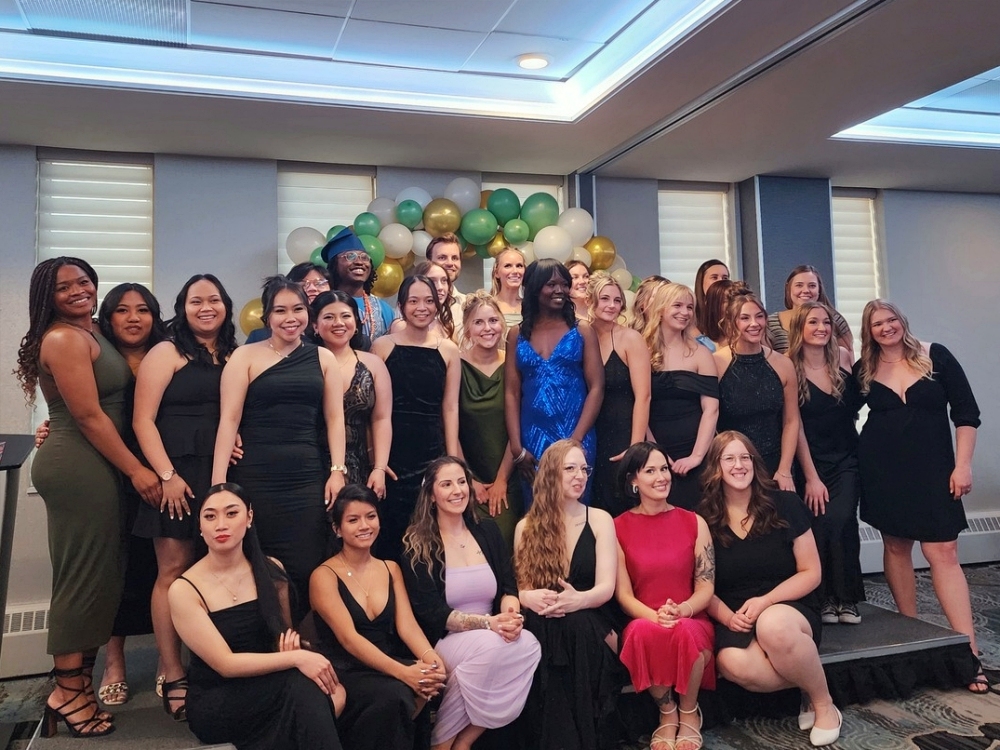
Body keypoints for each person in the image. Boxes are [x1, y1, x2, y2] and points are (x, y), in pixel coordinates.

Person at [16, 257, 161, 738]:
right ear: (48, 297)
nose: (79, 290)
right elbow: (88, 417)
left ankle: (76, 683)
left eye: (84, 281)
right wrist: (138, 470)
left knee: (101, 575)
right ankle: (65, 691)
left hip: (98, 462)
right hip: (80, 463)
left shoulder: (94, 331)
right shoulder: (63, 338)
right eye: (64, 287)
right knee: (81, 575)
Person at [853, 299, 984, 691]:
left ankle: (969, 653)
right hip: (883, 471)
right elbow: (837, 414)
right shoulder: (864, 369)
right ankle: (910, 634)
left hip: (935, 470)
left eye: (891, 319)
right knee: (895, 546)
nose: (886, 327)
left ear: (902, 321)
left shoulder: (934, 355)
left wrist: (963, 465)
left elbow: (966, 414)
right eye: (877, 324)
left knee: (942, 552)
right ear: (869, 331)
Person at [168, 483, 344, 750]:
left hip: (270, 682)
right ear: (200, 526)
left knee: (336, 692)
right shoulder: (184, 589)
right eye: (210, 516)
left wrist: (291, 649)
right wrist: (294, 657)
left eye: (231, 513)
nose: (220, 525)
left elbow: (280, 637)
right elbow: (225, 664)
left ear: (249, 517)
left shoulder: (272, 570)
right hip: (219, 698)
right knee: (306, 694)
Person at [133, 274, 238, 718]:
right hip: (176, 475)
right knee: (172, 571)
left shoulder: (233, 354)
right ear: (183, 307)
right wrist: (167, 475)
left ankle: (211, 664)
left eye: (214, 299)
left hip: (221, 475)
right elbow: (142, 422)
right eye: (196, 301)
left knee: (218, 570)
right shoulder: (167, 351)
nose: (206, 307)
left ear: (227, 306)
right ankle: (172, 668)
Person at [213, 275, 346, 619]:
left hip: (306, 476)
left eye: (298, 309)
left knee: (307, 561)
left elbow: (334, 420)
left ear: (308, 313)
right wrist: (219, 486)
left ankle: (302, 641)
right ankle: (269, 641)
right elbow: (228, 420)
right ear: (267, 317)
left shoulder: (323, 358)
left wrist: (337, 470)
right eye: (281, 310)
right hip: (256, 474)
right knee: (261, 562)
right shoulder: (244, 356)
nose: (291, 318)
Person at [699, 431, 841, 747]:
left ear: (754, 463)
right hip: (735, 612)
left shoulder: (785, 503)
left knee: (773, 626)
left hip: (787, 603)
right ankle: (803, 679)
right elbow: (700, 583)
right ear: (716, 467)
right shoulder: (703, 518)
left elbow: (812, 573)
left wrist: (766, 602)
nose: (739, 465)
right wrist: (725, 617)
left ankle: (821, 701)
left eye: (745, 457)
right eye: (729, 459)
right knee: (733, 664)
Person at [402, 457, 541, 750]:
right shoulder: (417, 544)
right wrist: (489, 624)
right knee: (491, 648)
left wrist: (511, 615)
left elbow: (507, 587)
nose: (457, 490)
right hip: (448, 638)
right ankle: (442, 742)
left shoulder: (487, 531)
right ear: (431, 495)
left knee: (529, 644)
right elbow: (431, 613)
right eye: (447, 484)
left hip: (493, 632)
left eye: (462, 482)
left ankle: (463, 741)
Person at [310, 484, 446, 750]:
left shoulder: (390, 568)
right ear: (337, 529)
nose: (364, 525)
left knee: (429, 681)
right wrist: (404, 673)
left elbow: (407, 626)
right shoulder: (323, 576)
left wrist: (432, 660)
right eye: (353, 520)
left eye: (370, 516)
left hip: (389, 660)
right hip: (348, 669)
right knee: (396, 694)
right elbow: (348, 639)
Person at [513, 440, 627, 750]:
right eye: (570, 469)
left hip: (591, 613)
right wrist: (528, 598)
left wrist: (578, 600)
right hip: (546, 617)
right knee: (542, 629)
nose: (580, 476)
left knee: (576, 626)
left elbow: (606, 588)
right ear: (551, 474)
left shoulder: (600, 519)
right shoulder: (525, 527)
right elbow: (522, 588)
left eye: (584, 469)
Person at [614, 442, 715, 750]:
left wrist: (682, 610)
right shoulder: (617, 527)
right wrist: (654, 615)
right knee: (644, 631)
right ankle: (667, 711)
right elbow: (623, 594)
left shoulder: (693, 521)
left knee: (684, 631)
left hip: (691, 616)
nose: (661, 477)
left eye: (664, 469)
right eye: (650, 471)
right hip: (645, 616)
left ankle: (688, 711)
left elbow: (706, 586)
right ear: (634, 480)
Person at [372, 274, 461, 561]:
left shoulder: (448, 349)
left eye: (429, 301)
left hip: (431, 454)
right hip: (393, 455)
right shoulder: (382, 346)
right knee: (392, 533)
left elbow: (450, 408)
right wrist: (378, 461)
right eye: (413, 301)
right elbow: (375, 412)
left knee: (430, 536)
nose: (421, 307)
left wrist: (450, 460)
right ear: (401, 306)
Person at [787, 302, 865, 625]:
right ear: (800, 329)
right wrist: (811, 476)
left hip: (847, 458)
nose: (821, 328)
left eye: (826, 322)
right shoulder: (789, 367)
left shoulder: (844, 359)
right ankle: (825, 598)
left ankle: (847, 598)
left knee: (842, 521)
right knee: (818, 526)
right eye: (813, 322)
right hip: (810, 462)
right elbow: (795, 426)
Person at [505, 259, 603, 508]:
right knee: (538, 513)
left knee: (576, 509)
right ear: (535, 288)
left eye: (564, 284)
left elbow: (596, 388)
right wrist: (517, 448)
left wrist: (577, 440)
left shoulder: (582, 331)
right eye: (551, 284)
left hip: (575, 434)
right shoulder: (516, 334)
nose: (560, 289)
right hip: (533, 440)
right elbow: (511, 392)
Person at [643, 283, 719, 511]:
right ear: (660, 309)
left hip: (695, 452)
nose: (684, 313)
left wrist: (696, 457)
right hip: (654, 453)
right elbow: (639, 403)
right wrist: (656, 453)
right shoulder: (641, 349)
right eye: (677, 305)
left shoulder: (701, 353)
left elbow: (711, 410)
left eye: (689, 307)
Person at [714, 290, 800, 490]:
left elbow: (791, 420)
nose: (754, 324)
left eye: (759, 316)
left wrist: (785, 469)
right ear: (731, 322)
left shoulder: (783, 364)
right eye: (745, 318)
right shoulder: (717, 363)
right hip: (733, 467)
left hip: (776, 465)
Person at [311, 290, 393, 495]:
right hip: (311, 465)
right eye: (328, 317)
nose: (338, 322)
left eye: (346, 316)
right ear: (314, 325)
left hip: (361, 467)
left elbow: (381, 419)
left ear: (356, 323)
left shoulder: (372, 363)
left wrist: (379, 468)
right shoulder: (305, 365)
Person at [458, 292, 523, 546]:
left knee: (507, 543)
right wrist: (467, 479)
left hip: (508, 475)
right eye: (479, 322)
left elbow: (516, 426)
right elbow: (449, 427)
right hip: (467, 478)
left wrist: (502, 480)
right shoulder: (455, 364)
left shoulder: (514, 364)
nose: (488, 328)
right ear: (467, 328)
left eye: (493, 321)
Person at [587, 272, 650, 516]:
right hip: (592, 438)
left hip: (623, 436)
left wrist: (634, 448)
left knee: (624, 509)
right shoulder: (582, 336)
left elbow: (643, 397)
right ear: (592, 301)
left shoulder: (630, 339)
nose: (611, 306)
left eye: (616, 300)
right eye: (605, 299)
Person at [322, 228, 396, 342]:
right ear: (334, 264)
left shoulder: (383, 309)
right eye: (350, 256)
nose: (359, 262)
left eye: (364, 257)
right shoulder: (324, 305)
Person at [767, 266, 853, 355]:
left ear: (819, 289)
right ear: (788, 289)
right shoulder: (770, 323)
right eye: (799, 285)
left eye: (812, 286)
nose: (806, 290)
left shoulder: (835, 320)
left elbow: (848, 359)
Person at [246, 261, 332, 343]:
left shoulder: (334, 331)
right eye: (302, 284)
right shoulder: (260, 336)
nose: (312, 288)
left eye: (320, 283)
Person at [700, 278, 746, 350]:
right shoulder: (704, 345)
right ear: (712, 305)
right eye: (726, 301)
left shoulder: (750, 334)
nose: (734, 305)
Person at [693, 259, 730, 343]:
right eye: (714, 277)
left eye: (725, 278)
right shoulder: (690, 313)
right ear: (701, 282)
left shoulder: (734, 311)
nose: (720, 281)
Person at [490, 247, 525, 329]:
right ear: (496, 273)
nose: (515, 271)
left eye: (519, 266)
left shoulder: (531, 306)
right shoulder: (488, 305)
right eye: (508, 266)